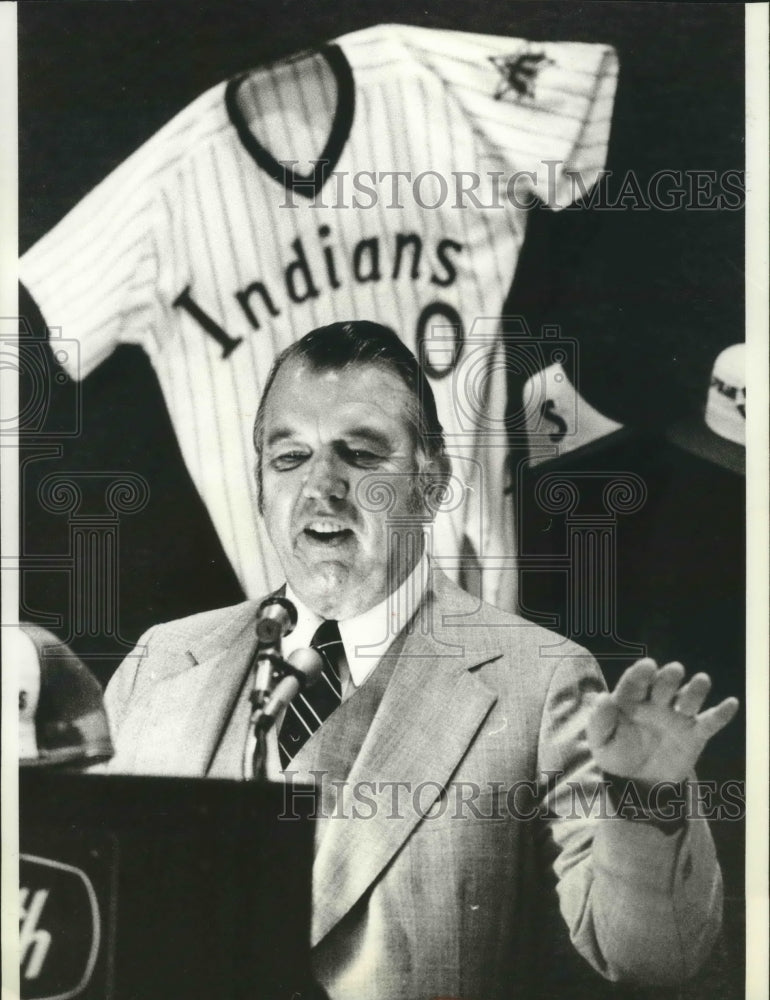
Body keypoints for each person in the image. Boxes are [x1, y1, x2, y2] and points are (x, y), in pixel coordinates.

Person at [104, 321, 739, 1000]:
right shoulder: (161, 663)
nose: (322, 485)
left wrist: (644, 800)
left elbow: (653, 962)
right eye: (289, 457)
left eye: (362, 454)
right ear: (259, 484)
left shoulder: (540, 681)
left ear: (432, 482)